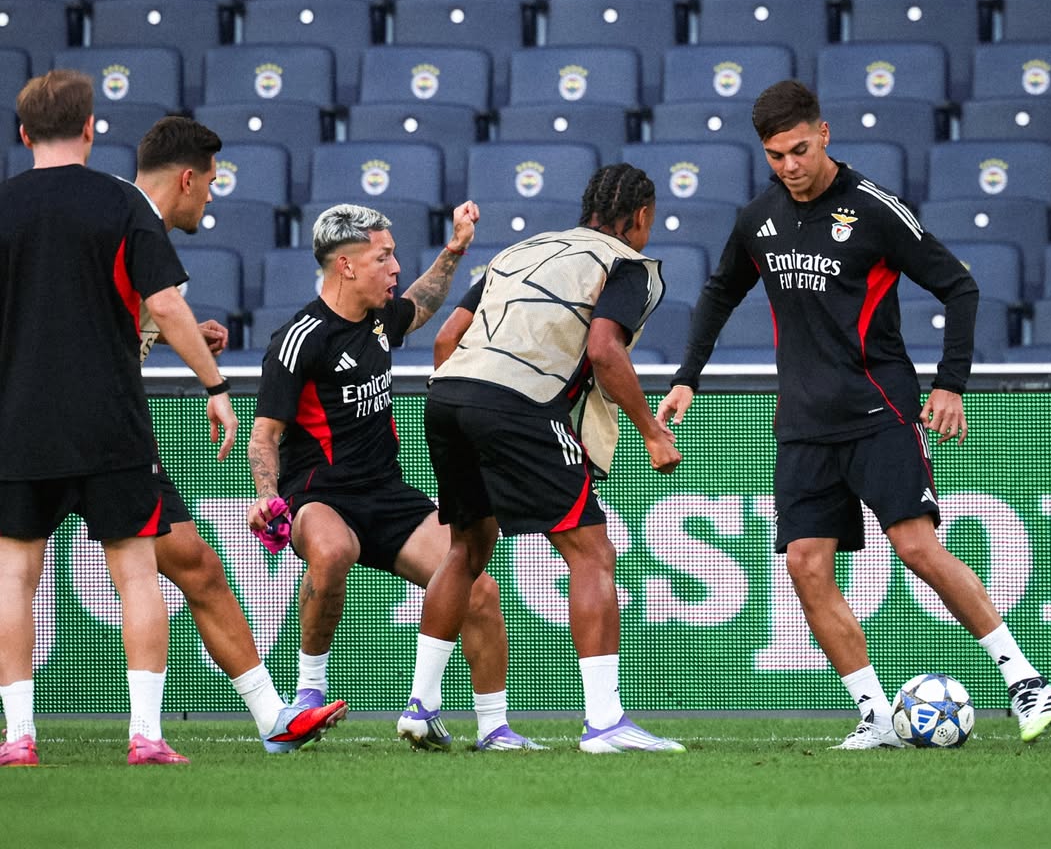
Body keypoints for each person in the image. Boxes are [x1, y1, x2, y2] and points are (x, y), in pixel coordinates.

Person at [656, 79, 1051, 749]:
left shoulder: (875, 210)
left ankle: (1024, 681)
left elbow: (959, 286)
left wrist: (950, 386)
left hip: (880, 412)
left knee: (917, 549)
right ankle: (876, 714)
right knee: (805, 567)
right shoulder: (757, 219)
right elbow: (720, 291)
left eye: (799, 149)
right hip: (804, 425)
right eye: (775, 155)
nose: (790, 165)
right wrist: (687, 378)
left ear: (823, 135)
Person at [398, 163, 686, 754]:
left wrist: (465, 410)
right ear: (641, 218)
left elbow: (445, 340)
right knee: (592, 550)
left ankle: (421, 707)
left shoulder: (518, 251)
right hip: (519, 402)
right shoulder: (625, 264)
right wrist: (653, 432)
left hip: (447, 396)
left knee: (467, 547)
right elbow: (605, 350)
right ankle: (605, 722)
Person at [247, 202, 541, 751]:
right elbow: (264, 435)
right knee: (332, 552)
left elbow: (421, 305)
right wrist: (268, 498)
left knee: (480, 589)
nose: (396, 267)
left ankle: (494, 728)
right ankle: (308, 695)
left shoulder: (381, 320)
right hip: (320, 495)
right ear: (346, 265)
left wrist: (454, 251)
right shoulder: (299, 339)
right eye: (384, 256)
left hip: (389, 494)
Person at [0, 72, 232, 767]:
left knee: (13, 578)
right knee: (135, 575)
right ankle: (146, 735)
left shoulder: (3, 207)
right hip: (109, 419)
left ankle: (17, 737)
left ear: (22, 133)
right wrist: (214, 383)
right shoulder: (119, 203)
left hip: (19, 421)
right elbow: (164, 304)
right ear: (91, 128)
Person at [134, 116, 347, 753]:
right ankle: (147, 734)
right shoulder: (135, 223)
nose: (211, 198)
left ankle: (271, 717)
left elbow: (102, 321)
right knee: (154, 572)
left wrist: (177, 333)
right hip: (98, 431)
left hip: (44, 426)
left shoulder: (107, 220)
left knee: (193, 566)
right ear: (188, 177)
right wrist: (213, 383)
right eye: (211, 185)